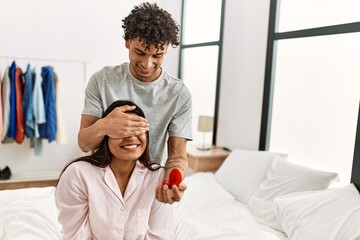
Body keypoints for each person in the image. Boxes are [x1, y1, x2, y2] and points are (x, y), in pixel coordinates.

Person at [78, 2, 192, 204]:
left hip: (149, 186)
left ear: (166, 49)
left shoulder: (178, 94)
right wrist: (105, 125)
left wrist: (172, 179)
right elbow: (84, 143)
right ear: (128, 41)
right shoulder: (102, 80)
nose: (147, 64)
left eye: (157, 55)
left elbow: (176, 155)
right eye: (140, 52)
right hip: (104, 182)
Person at [55, 100, 174, 239]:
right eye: (122, 130)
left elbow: (160, 236)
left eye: (137, 129)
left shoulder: (158, 177)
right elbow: (76, 236)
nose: (131, 137)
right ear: (106, 136)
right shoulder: (77, 175)